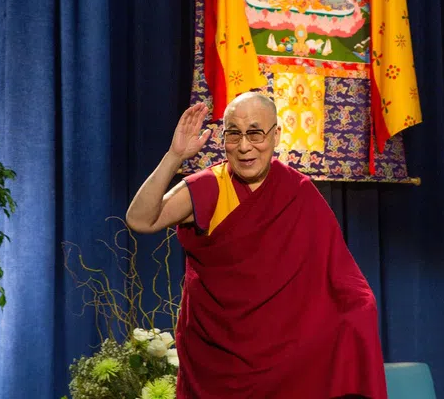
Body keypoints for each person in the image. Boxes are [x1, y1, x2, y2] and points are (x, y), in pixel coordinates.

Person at [126, 92, 388, 398]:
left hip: (284, 365)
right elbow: (141, 220)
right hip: (217, 364)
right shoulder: (210, 186)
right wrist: (174, 156)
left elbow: (338, 274)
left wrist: (359, 309)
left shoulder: (298, 192)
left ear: (276, 135)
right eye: (233, 135)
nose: (244, 146)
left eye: (254, 133)